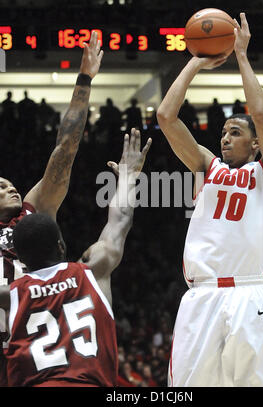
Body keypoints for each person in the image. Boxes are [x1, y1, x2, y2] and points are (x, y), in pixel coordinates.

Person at [157, 13, 263, 387]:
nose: (225, 138)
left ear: (256, 144)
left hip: (249, 292)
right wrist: (196, 60)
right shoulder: (206, 167)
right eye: (222, 133)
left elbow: (260, 114)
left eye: (235, 132)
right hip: (201, 294)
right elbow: (166, 116)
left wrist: (242, 56)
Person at [0, 129, 152, 387]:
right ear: (61, 245)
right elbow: (119, 224)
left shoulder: (11, 295)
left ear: (20, 257)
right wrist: (128, 178)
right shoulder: (91, 272)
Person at [0, 30, 103, 385]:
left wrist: (84, 80)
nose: (10, 186)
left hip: (35, 341)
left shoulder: (34, 210)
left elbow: (66, 148)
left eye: (10, 182)